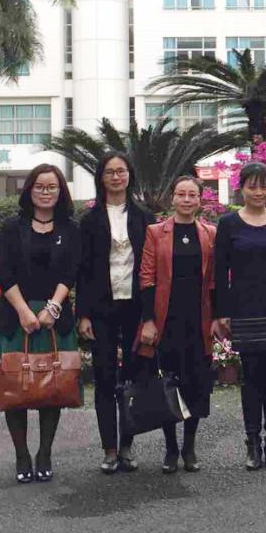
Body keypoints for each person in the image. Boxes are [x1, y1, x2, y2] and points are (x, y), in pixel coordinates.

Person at [0, 164, 81, 484]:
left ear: (60, 192)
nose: (45, 192)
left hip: (54, 319)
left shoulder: (70, 228)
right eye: (40, 186)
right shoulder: (12, 227)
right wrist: (24, 311)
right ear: (30, 190)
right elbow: (3, 272)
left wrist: (52, 307)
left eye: (52, 187)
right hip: (16, 317)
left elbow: (71, 272)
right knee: (16, 388)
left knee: (53, 388)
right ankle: (22, 455)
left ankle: (45, 452)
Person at [214, 162, 266, 471]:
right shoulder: (228, 223)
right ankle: (252, 442)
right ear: (242, 188)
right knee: (250, 378)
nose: (259, 192)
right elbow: (220, 272)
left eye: (264, 185)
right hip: (244, 311)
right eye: (252, 186)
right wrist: (222, 312)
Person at [75, 152, 155, 474]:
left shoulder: (144, 216)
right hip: (102, 308)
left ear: (129, 175)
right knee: (105, 377)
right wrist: (83, 314)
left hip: (136, 307)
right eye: (110, 172)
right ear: (101, 177)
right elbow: (82, 271)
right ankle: (109, 448)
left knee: (133, 378)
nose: (116, 177)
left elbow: (152, 268)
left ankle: (127, 446)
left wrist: (150, 316)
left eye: (121, 171)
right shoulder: (89, 220)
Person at [138, 176, 221, 474]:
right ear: (172, 198)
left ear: (200, 199)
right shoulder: (155, 232)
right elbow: (146, 277)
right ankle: (171, 448)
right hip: (166, 320)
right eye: (181, 194)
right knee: (168, 385)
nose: (186, 200)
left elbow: (215, 281)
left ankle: (189, 447)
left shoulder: (210, 233)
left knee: (195, 385)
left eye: (192, 195)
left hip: (198, 321)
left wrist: (217, 318)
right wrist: (148, 320)